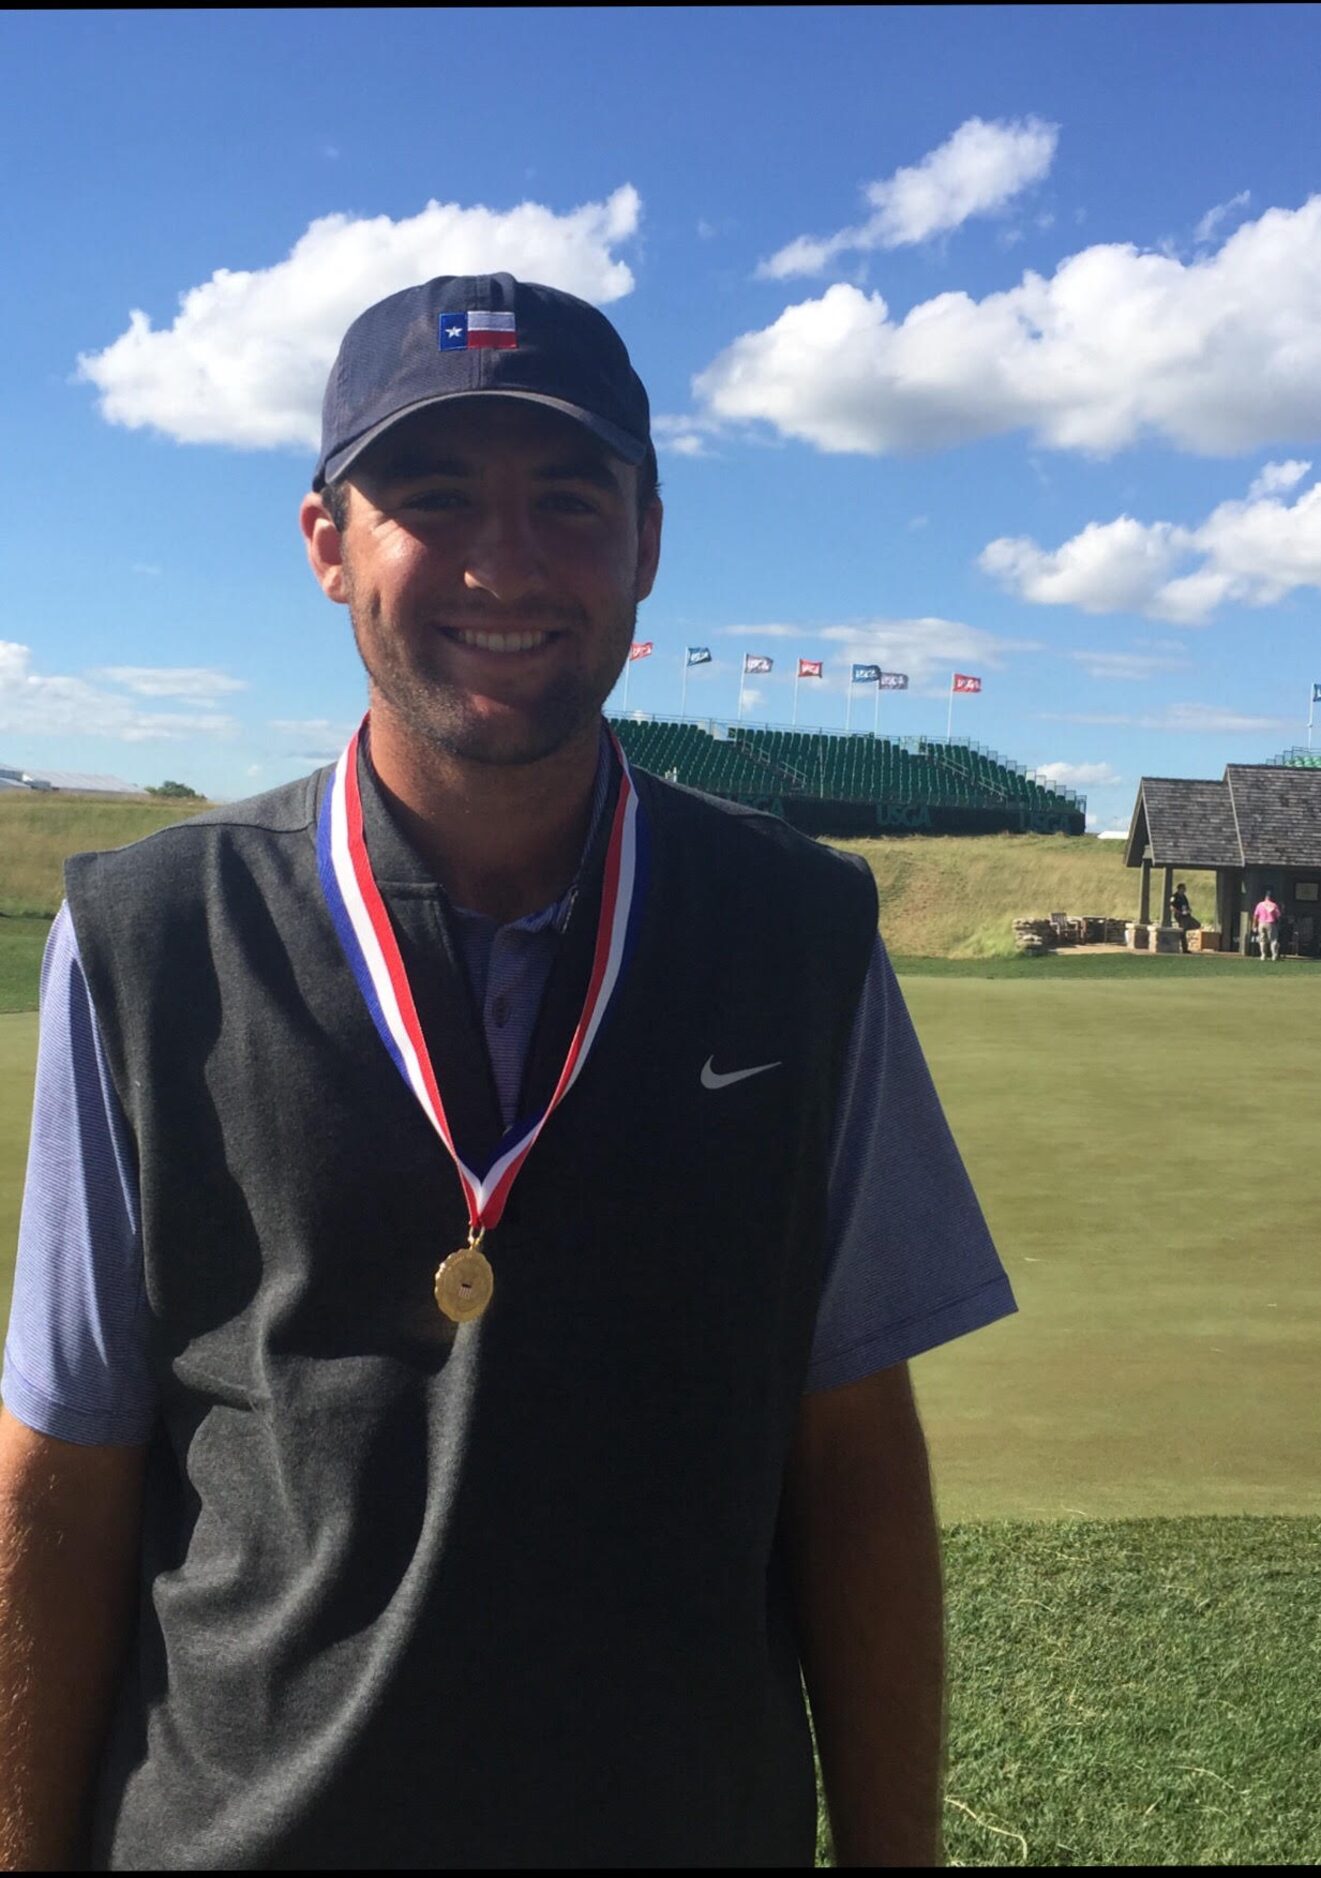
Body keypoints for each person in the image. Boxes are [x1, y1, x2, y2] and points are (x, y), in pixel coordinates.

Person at [0, 274, 1014, 1870]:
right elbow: (63, 1462)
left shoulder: (799, 928)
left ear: (648, 543)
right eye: (431, 497)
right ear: (327, 540)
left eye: (568, 498)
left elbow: (853, 1454)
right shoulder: (143, 933)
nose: (506, 559)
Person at [1253, 888, 1283, 960]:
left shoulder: (1260, 905)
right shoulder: (1274, 905)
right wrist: (1279, 923)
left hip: (1261, 923)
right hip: (1271, 923)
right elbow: (1278, 916)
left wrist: (1254, 925)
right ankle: (1274, 955)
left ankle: (1263, 955)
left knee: (1262, 940)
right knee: (1273, 940)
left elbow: (1255, 915)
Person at [1169, 881, 1195, 953]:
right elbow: (1172, 906)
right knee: (1183, 932)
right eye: (1183, 889)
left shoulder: (1184, 897)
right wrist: (1179, 912)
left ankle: (1182, 930)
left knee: (1196, 924)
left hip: (1186, 915)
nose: (1184, 890)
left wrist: (1189, 910)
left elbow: (1186, 906)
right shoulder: (1174, 896)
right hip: (1179, 916)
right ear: (1179, 889)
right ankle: (1185, 949)